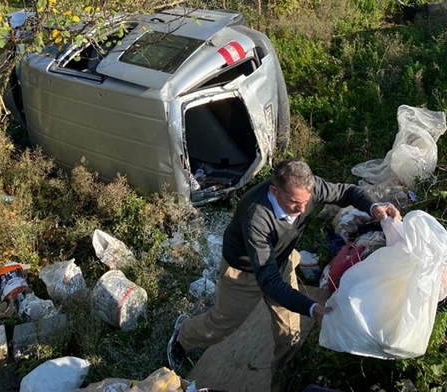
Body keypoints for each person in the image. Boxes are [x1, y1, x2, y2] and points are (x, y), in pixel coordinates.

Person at [167, 158, 401, 392]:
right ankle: (184, 336)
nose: (301, 210)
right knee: (222, 324)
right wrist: (311, 308)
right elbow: (268, 281)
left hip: (282, 259)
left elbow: (347, 191)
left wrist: (373, 207)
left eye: (306, 202)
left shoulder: (307, 189)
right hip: (244, 273)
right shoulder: (256, 215)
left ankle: (279, 384)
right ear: (274, 191)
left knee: (289, 336)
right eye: (294, 204)